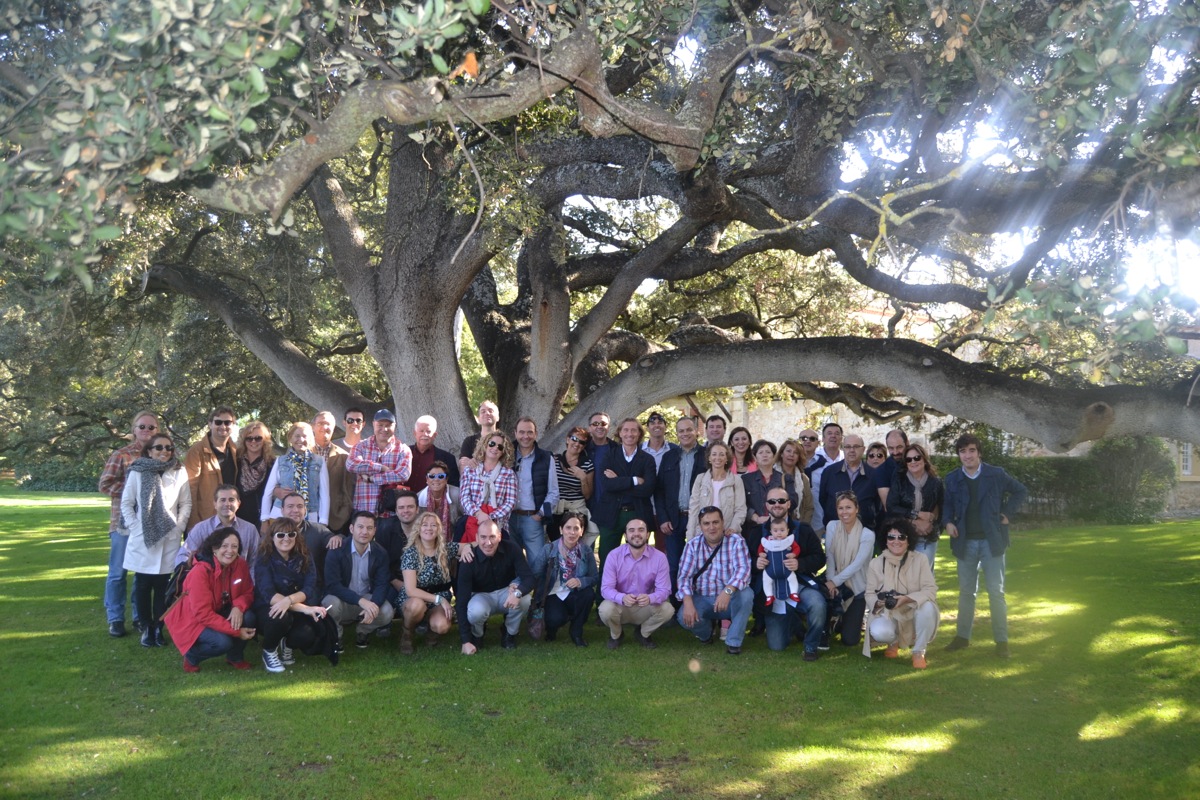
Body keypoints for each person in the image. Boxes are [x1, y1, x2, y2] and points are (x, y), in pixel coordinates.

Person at [942, 433, 1028, 658]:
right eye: (962, 451)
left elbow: (1020, 490)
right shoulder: (952, 478)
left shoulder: (996, 474)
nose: (967, 455)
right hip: (965, 542)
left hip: (992, 541)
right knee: (966, 592)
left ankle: (1002, 641)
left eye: (971, 450)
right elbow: (946, 506)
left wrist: (1007, 513)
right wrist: (948, 522)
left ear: (979, 452)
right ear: (959, 455)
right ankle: (962, 637)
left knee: (996, 592)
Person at [122, 433, 192, 648]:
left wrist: (179, 526)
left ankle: (158, 628)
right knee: (143, 586)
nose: (164, 451)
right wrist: (136, 527)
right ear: (149, 451)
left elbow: (185, 503)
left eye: (168, 448)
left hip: (169, 536)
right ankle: (146, 628)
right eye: (159, 447)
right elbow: (127, 503)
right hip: (143, 537)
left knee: (163, 588)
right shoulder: (137, 471)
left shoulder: (179, 471)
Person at [98, 409, 158, 637]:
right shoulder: (122, 455)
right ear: (134, 429)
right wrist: (133, 491)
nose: (146, 430)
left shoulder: (159, 455)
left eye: (151, 427)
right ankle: (115, 618)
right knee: (118, 573)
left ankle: (139, 616)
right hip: (122, 524)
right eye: (142, 426)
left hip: (148, 524)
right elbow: (105, 484)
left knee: (142, 573)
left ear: (157, 430)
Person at [163, 527, 257, 672]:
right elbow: (203, 613)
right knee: (222, 643)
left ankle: (235, 657)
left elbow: (248, 592)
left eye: (234, 546)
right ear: (214, 548)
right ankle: (192, 656)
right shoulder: (199, 572)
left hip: (220, 609)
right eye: (224, 546)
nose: (230, 551)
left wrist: (238, 606)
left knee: (249, 617)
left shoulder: (240, 564)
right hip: (193, 618)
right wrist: (237, 632)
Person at [253, 518, 334, 673]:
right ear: (272, 537)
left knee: (307, 633)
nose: (286, 539)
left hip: (296, 605)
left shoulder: (304, 555)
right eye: (280, 535)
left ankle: (287, 644)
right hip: (268, 608)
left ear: (296, 536)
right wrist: (305, 609)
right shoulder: (264, 558)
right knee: (281, 615)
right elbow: (269, 594)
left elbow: (309, 588)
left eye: (291, 534)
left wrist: (289, 600)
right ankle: (269, 650)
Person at [754, 487, 826, 660]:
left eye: (781, 501)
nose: (776, 504)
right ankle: (795, 624)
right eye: (772, 501)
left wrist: (800, 563)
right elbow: (745, 560)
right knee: (777, 645)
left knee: (817, 603)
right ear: (766, 505)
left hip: (798, 583)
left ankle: (811, 646)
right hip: (771, 590)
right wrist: (755, 563)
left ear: (789, 504)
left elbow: (820, 558)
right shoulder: (757, 532)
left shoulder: (804, 529)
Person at [863, 518, 939, 669]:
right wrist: (879, 602)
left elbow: (930, 589)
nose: (896, 541)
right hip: (889, 612)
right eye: (891, 537)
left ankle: (918, 651)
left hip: (913, 609)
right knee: (879, 632)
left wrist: (906, 599)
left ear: (909, 540)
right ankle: (893, 642)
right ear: (885, 540)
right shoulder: (875, 563)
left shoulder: (921, 559)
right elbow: (869, 593)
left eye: (901, 537)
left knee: (928, 607)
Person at [676, 507, 753, 655]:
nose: (711, 527)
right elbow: (684, 577)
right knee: (682, 617)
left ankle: (734, 641)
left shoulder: (736, 541)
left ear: (723, 523)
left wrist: (727, 591)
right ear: (700, 526)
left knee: (746, 595)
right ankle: (706, 634)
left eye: (715, 522)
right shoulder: (692, 545)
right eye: (706, 523)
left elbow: (743, 571)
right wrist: (688, 603)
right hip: (702, 597)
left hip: (729, 598)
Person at [741, 439, 798, 635]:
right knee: (758, 571)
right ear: (754, 457)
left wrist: (776, 515)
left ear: (774, 456)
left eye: (768, 452)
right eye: (760, 452)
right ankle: (759, 618)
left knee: (780, 568)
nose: (765, 455)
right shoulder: (746, 479)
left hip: (780, 531)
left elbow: (793, 500)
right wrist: (756, 517)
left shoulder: (784, 478)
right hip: (755, 530)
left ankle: (786, 613)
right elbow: (742, 504)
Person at [396, 512, 474, 654]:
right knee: (416, 606)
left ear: (439, 529)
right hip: (414, 597)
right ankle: (407, 634)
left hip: (439, 596)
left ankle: (431, 631)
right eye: (425, 525)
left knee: (441, 626)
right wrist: (440, 599)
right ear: (418, 529)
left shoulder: (445, 549)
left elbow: (475, 544)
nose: (429, 528)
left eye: (433, 525)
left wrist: (468, 547)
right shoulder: (410, 553)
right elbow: (411, 590)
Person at [457, 518, 535, 653]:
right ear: (476, 538)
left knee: (525, 599)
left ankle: (509, 633)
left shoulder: (512, 548)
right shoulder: (469, 558)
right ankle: (477, 635)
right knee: (476, 611)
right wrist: (465, 640)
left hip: (506, 592)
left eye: (492, 537)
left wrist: (518, 593)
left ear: (499, 536)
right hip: (481, 596)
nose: (488, 542)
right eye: (483, 537)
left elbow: (529, 578)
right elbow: (461, 602)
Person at [595, 418, 657, 590]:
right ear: (620, 433)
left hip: (638, 514)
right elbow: (606, 485)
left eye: (633, 430)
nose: (630, 434)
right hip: (611, 515)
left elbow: (648, 489)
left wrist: (618, 482)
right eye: (626, 430)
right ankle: (603, 600)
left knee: (640, 562)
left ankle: (640, 598)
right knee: (607, 560)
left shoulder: (647, 459)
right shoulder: (609, 455)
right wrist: (634, 480)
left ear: (639, 434)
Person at [322, 511, 396, 648]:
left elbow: (381, 584)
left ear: (374, 531)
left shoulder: (380, 553)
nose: (364, 532)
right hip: (342, 599)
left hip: (366, 598)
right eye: (360, 527)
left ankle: (363, 631)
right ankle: (336, 636)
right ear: (352, 529)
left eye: (369, 528)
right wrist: (360, 601)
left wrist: (373, 604)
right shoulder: (336, 550)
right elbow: (333, 585)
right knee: (328, 604)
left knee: (387, 611)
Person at [599, 517, 673, 649]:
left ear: (648, 534)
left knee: (668, 610)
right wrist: (622, 597)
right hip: (621, 605)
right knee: (605, 609)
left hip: (645, 606)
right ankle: (616, 635)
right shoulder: (614, 555)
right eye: (631, 530)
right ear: (626, 536)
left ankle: (643, 633)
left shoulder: (660, 557)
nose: (636, 534)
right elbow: (606, 588)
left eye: (641, 530)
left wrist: (650, 598)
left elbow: (665, 590)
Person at [653, 415, 707, 595]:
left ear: (696, 431)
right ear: (676, 434)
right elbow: (659, 490)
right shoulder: (669, 457)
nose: (685, 434)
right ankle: (676, 605)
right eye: (681, 431)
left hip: (699, 520)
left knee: (699, 564)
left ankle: (698, 602)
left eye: (689, 430)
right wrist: (663, 518)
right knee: (674, 565)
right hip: (673, 520)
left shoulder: (706, 455)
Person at [536, 512, 597, 647]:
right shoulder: (549, 549)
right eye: (568, 528)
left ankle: (576, 631)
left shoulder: (586, 551)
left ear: (581, 531)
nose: (572, 532)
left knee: (588, 594)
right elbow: (535, 573)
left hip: (575, 592)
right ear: (561, 529)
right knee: (555, 618)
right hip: (554, 593)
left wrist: (581, 581)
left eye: (576, 528)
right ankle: (551, 630)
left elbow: (594, 577)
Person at [823, 491, 875, 648]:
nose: (844, 512)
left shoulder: (867, 535)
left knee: (850, 640)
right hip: (835, 582)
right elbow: (830, 556)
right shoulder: (832, 526)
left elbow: (856, 565)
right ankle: (832, 620)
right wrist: (831, 582)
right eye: (840, 508)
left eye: (848, 507)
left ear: (857, 509)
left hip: (857, 589)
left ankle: (840, 622)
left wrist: (835, 581)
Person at [509, 417, 559, 578]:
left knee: (538, 564)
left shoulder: (546, 458)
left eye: (530, 432)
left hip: (532, 518)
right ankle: (516, 593)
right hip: (508, 518)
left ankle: (538, 594)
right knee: (511, 563)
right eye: (522, 432)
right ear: (515, 433)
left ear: (536, 434)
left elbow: (554, 492)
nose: (526, 436)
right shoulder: (506, 456)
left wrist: (541, 514)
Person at [177, 484, 261, 572]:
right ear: (215, 504)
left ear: (238, 503)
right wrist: (194, 574)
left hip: (240, 578)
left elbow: (256, 562)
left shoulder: (250, 530)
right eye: (222, 500)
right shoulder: (201, 528)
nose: (227, 504)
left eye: (231, 500)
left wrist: (250, 580)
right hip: (208, 578)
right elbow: (183, 555)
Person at [261, 422, 330, 525]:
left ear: (311, 439)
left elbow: (324, 494)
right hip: (280, 514)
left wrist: (323, 520)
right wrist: (264, 518)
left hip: (309, 515)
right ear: (290, 439)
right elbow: (268, 491)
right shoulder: (281, 460)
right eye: (297, 436)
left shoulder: (319, 461)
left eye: (305, 436)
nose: (301, 439)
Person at [887, 443, 944, 568]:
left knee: (922, 574)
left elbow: (941, 507)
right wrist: (916, 517)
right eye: (909, 459)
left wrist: (932, 525)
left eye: (917, 458)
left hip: (926, 537)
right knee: (903, 575)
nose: (913, 462)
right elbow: (892, 507)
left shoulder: (936, 482)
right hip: (902, 537)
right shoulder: (900, 481)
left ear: (924, 459)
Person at [348, 409, 413, 516]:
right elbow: (351, 464)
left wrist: (371, 478)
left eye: (388, 425)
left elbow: (403, 474)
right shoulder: (360, 446)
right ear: (373, 424)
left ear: (395, 426)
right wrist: (381, 468)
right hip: (363, 511)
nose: (384, 429)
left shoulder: (403, 450)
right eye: (380, 425)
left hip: (390, 514)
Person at [183, 406, 238, 528]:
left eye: (227, 422)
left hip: (229, 519)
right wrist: (193, 523)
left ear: (233, 425)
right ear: (210, 424)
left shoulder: (235, 450)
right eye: (218, 422)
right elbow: (190, 489)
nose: (223, 426)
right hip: (205, 520)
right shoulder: (197, 451)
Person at [819, 434, 880, 541]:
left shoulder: (873, 475)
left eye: (856, 446)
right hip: (835, 531)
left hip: (864, 532)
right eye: (847, 447)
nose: (852, 450)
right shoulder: (829, 472)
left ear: (863, 449)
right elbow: (823, 499)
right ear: (843, 448)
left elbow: (878, 504)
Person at [458, 430, 517, 541]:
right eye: (492, 444)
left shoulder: (508, 474)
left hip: (498, 525)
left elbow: (510, 502)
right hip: (471, 521)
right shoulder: (470, 470)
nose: (495, 448)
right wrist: (478, 514)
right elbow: (464, 497)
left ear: (503, 452)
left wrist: (490, 517)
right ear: (485, 445)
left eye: (500, 447)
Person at [278, 492, 341, 594]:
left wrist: (338, 538)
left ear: (305, 510)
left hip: (312, 589)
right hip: (280, 589)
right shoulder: (274, 533)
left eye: (300, 506)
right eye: (290, 506)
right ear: (282, 510)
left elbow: (335, 539)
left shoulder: (317, 530)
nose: (295, 510)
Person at [686, 441, 746, 540]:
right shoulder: (700, 479)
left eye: (722, 454)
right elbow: (694, 510)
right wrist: (690, 536)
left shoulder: (736, 481)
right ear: (709, 458)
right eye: (714, 454)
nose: (717, 457)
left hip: (727, 534)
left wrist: (733, 528)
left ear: (727, 458)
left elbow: (740, 509)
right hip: (703, 535)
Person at [311, 411, 357, 533]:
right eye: (320, 423)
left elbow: (349, 488)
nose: (325, 427)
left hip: (335, 519)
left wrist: (344, 511)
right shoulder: (302, 453)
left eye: (328, 424)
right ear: (313, 426)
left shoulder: (344, 456)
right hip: (306, 515)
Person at [554, 426, 595, 548]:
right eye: (574, 439)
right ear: (567, 439)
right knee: (557, 548)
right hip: (556, 511)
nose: (577, 444)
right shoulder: (554, 460)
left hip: (576, 512)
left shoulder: (587, 464)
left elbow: (588, 495)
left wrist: (583, 478)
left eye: (582, 442)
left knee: (575, 548)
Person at [234, 420, 274, 532]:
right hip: (238, 517)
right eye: (249, 438)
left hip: (262, 519)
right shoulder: (236, 461)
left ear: (265, 440)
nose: (253, 441)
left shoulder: (272, 464)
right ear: (244, 440)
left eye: (258, 438)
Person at [407, 415, 460, 493]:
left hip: (432, 500)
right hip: (404, 499)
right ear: (415, 433)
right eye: (421, 431)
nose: (425, 434)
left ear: (435, 435)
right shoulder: (403, 452)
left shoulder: (447, 458)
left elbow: (453, 486)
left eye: (428, 431)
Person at [807, 422, 844, 531]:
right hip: (815, 518)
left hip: (841, 519)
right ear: (823, 439)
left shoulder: (846, 459)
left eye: (837, 433)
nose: (833, 436)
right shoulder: (813, 459)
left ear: (841, 438)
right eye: (829, 433)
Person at [773, 438, 814, 524]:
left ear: (799, 457)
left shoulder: (803, 479)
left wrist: (802, 526)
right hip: (774, 524)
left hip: (797, 523)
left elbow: (808, 507)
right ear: (781, 454)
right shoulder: (771, 474)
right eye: (788, 451)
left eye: (796, 453)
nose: (791, 455)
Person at [418, 460, 463, 532]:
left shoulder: (458, 494)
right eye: (432, 476)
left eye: (441, 476)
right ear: (427, 479)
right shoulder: (418, 498)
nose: (436, 479)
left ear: (446, 479)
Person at [459, 400, 499, 472]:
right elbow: (463, 467)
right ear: (479, 419)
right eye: (483, 411)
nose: (487, 413)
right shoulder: (469, 441)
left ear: (498, 417)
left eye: (490, 411)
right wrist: (468, 463)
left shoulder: (503, 441)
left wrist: (476, 464)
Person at [875, 429, 910, 508]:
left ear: (907, 443)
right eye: (891, 448)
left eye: (899, 447)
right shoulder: (882, 471)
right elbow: (889, 507)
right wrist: (917, 514)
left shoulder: (917, 462)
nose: (895, 452)